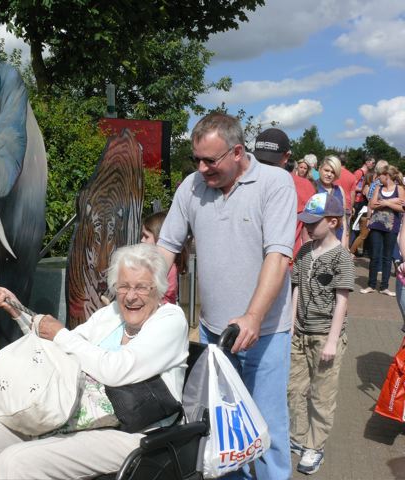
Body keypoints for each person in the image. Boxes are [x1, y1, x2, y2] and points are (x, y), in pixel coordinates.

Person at [0, 243, 189, 479]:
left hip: (135, 433)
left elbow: (116, 370)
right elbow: (61, 350)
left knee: (16, 463)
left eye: (141, 287)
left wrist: (60, 333)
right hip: (75, 419)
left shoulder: (170, 320)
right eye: (123, 286)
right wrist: (18, 312)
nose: (131, 296)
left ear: (158, 289)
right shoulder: (111, 314)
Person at [157, 112, 296, 480]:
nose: (201, 168)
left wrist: (253, 316)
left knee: (268, 432)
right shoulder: (191, 186)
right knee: (222, 434)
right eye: (196, 159)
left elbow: (278, 256)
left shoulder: (276, 183)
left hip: (265, 334)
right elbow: (166, 247)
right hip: (214, 335)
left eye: (210, 160)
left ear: (237, 152)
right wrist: (141, 293)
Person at [288, 192, 354, 475]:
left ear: (333, 221)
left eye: (314, 223)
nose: (308, 227)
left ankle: (315, 445)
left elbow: (342, 300)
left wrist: (331, 340)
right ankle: (299, 436)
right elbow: (296, 291)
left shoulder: (342, 257)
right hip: (299, 334)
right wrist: (290, 328)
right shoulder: (304, 252)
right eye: (305, 222)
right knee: (294, 389)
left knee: (322, 395)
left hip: (325, 336)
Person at [253, 128, 315, 260]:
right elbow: (310, 230)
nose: (266, 168)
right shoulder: (305, 186)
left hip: (285, 262)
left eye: (270, 162)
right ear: (286, 156)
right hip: (286, 261)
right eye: (261, 161)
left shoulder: (241, 182)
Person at [360, 165, 405, 296]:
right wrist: (392, 201)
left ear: (387, 176)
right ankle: (371, 285)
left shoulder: (400, 188)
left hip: (391, 226)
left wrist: (386, 203)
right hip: (376, 225)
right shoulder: (378, 188)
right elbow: (372, 204)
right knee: (374, 256)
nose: (378, 177)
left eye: (380, 175)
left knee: (387, 257)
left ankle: (384, 286)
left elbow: (402, 208)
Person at [141, 211, 188, 304]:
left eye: (146, 236)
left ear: (160, 238)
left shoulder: (168, 267)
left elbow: (161, 298)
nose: (142, 240)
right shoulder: (151, 263)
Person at [315, 156, 348, 247]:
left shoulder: (339, 190)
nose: (329, 174)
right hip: (318, 240)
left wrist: (344, 241)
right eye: (326, 170)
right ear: (320, 169)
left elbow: (343, 219)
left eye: (333, 172)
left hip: (337, 239)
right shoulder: (312, 187)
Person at [349, 172, 375, 257]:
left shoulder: (368, 186)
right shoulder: (368, 187)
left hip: (365, 211)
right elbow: (370, 199)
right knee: (362, 235)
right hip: (365, 212)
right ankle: (351, 252)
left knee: (363, 235)